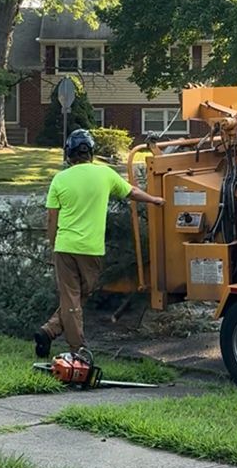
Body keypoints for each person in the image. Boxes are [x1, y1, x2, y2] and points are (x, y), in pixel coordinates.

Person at [34, 128, 164, 357]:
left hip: (64, 247)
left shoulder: (59, 179)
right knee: (78, 295)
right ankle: (78, 348)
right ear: (91, 153)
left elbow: (51, 219)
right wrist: (154, 200)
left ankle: (50, 329)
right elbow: (131, 191)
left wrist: (53, 244)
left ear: (69, 154)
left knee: (72, 296)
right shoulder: (105, 174)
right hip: (91, 249)